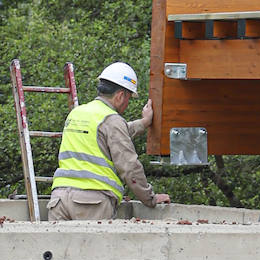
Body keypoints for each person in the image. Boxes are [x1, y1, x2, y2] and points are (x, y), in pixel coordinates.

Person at [47, 62, 171, 222]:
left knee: (59, 247)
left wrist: (143, 123)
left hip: (59, 200)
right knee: (97, 247)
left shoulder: (77, 113)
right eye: (128, 98)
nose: (127, 103)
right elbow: (130, 167)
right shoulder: (111, 120)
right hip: (92, 202)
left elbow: (109, 134)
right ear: (120, 96)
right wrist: (150, 198)